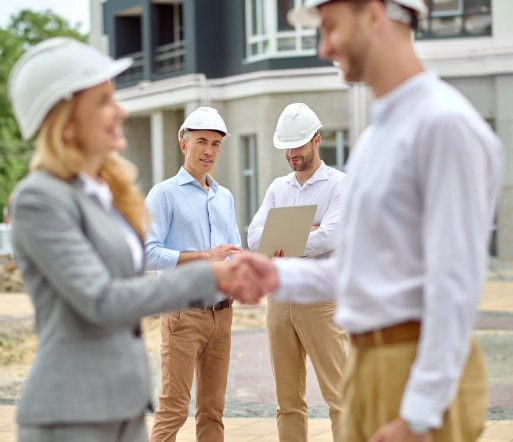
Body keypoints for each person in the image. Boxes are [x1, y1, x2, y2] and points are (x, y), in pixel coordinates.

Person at [231, 1, 504, 442]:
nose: (323, 47)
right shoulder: (376, 138)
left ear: (374, 15)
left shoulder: (444, 125)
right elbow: (361, 268)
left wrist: (419, 417)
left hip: (410, 368)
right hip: (367, 364)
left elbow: (454, 282)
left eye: (330, 27)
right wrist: (276, 274)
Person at [8, 37, 261, 442]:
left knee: (213, 411)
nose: (120, 109)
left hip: (121, 403)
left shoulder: (104, 192)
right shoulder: (40, 199)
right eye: (104, 100)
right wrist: (210, 275)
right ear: (65, 117)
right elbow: (100, 300)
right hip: (70, 413)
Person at [247, 103, 347, 442]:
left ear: (317, 140)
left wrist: (283, 238)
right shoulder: (278, 187)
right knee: (287, 402)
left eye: (298, 145)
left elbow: (331, 236)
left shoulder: (338, 186)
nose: (291, 153)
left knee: (340, 398)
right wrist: (309, 229)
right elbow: (253, 235)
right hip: (279, 302)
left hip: (321, 304)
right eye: (286, 146)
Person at [145, 107, 242, 442]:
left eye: (216, 144)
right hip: (183, 315)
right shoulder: (164, 194)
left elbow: (233, 252)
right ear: (183, 143)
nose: (209, 151)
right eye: (201, 141)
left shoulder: (224, 197)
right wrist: (204, 256)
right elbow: (147, 253)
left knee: (213, 411)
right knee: (173, 408)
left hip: (222, 315)